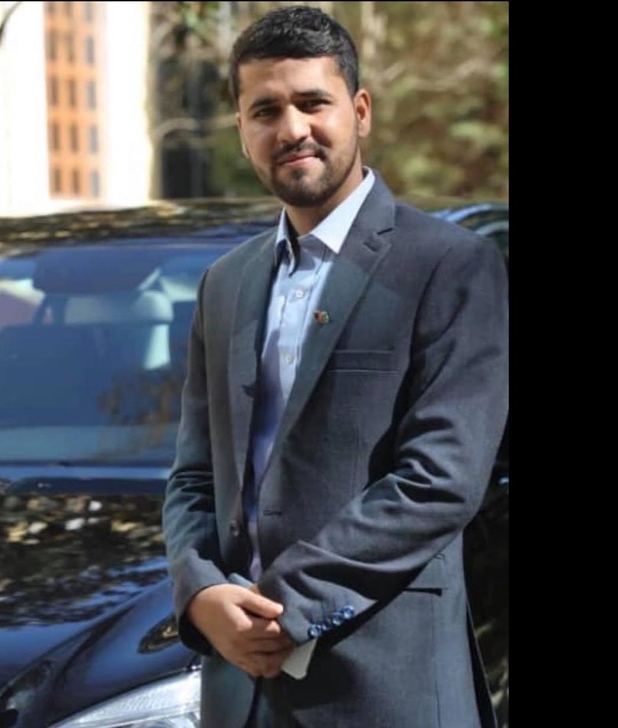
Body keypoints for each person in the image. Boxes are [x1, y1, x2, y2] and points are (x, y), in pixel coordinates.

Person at [161, 5, 508, 727]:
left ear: (360, 111)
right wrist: (200, 593)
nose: (292, 129)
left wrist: (284, 608)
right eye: (265, 111)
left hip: (385, 686)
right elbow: (195, 475)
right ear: (242, 131)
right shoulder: (225, 283)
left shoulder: (451, 266)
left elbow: (441, 480)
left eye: (313, 102)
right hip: (238, 692)